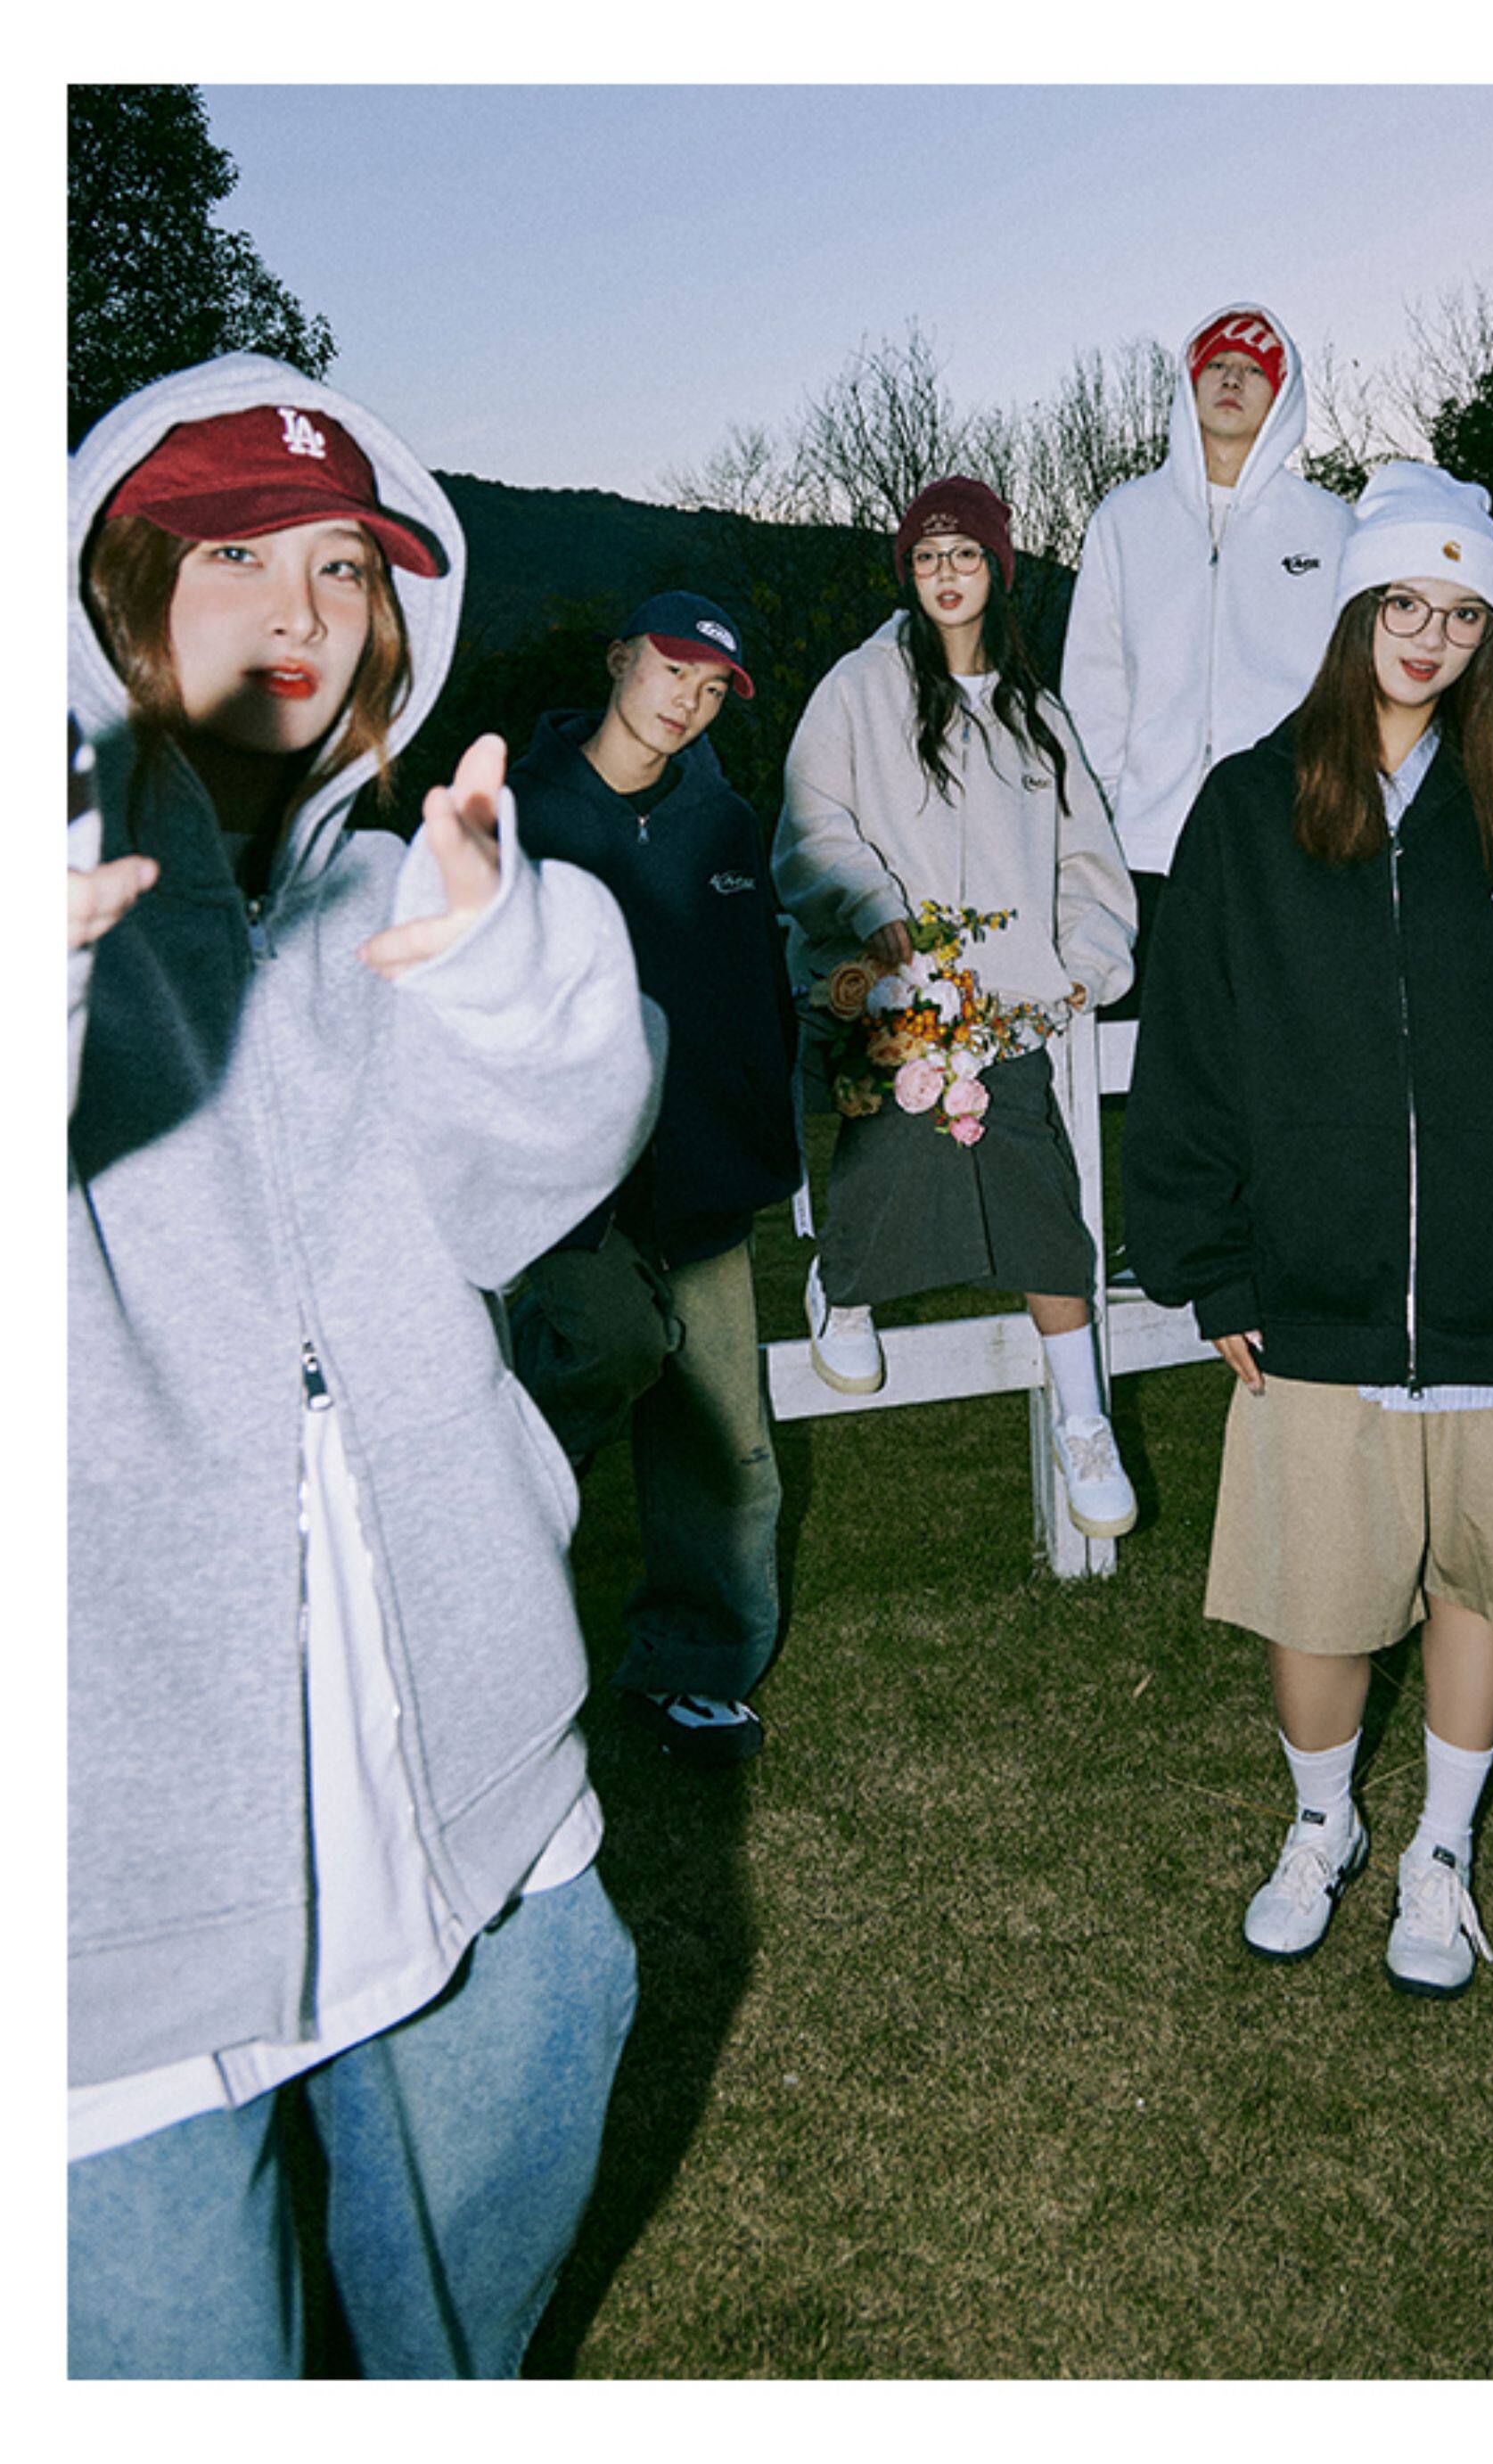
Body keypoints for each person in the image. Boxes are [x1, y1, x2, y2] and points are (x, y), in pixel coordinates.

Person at [67, 354, 661, 2377]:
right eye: (234, 553)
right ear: (116, 588)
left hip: (451, 1774)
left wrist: (503, 968)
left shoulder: (398, 896)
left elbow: (546, 1160)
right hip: (117, 1855)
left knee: (474, 2273)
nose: (301, 607)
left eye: (343, 564)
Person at [1123, 463, 1493, 1998]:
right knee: (1321, 1592)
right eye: (1405, 603)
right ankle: (1321, 1824)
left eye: (1463, 613)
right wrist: (1210, 1259)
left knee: (1485, 1578)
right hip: (1317, 1289)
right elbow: (1191, 1047)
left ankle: (1442, 1848)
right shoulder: (1251, 806)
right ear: (1355, 608)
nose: (1430, 637)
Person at [774, 476, 1140, 1537]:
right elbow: (811, 820)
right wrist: (875, 908)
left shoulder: (1035, 714)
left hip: (1007, 1000)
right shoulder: (859, 687)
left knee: (1037, 1189)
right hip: (890, 981)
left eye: (965, 554)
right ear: (908, 571)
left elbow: (1085, 864)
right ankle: (843, 1286)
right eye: (927, 555)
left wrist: (1081, 965)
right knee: (903, 1123)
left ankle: (1083, 1421)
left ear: (995, 572)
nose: (945, 572)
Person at [506, 590, 800, 1770]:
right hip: (565, 1185)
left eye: (714, 687)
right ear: (619, 657)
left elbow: (756, 993)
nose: (689, 700)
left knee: (726, 1447)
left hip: (700, 1176)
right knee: (602, 1348)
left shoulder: (722, 825)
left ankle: (692, 1668)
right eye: (672, 669)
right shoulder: (522, 814)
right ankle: (466, 1531)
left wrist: (762, 1126)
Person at [1062, 302, 1353, 1002]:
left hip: (1287, 840)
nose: (1232, 378)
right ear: (1189, 383)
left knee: (1282, 1035)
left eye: (1254, 369)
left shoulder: (1330, 525)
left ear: (1281, 394)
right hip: (1148, 847)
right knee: (1160, 1044)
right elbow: (1093, 684)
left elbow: (1352, 687)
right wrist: (1103, 818)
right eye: (1217, 364)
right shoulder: (1126, 519)